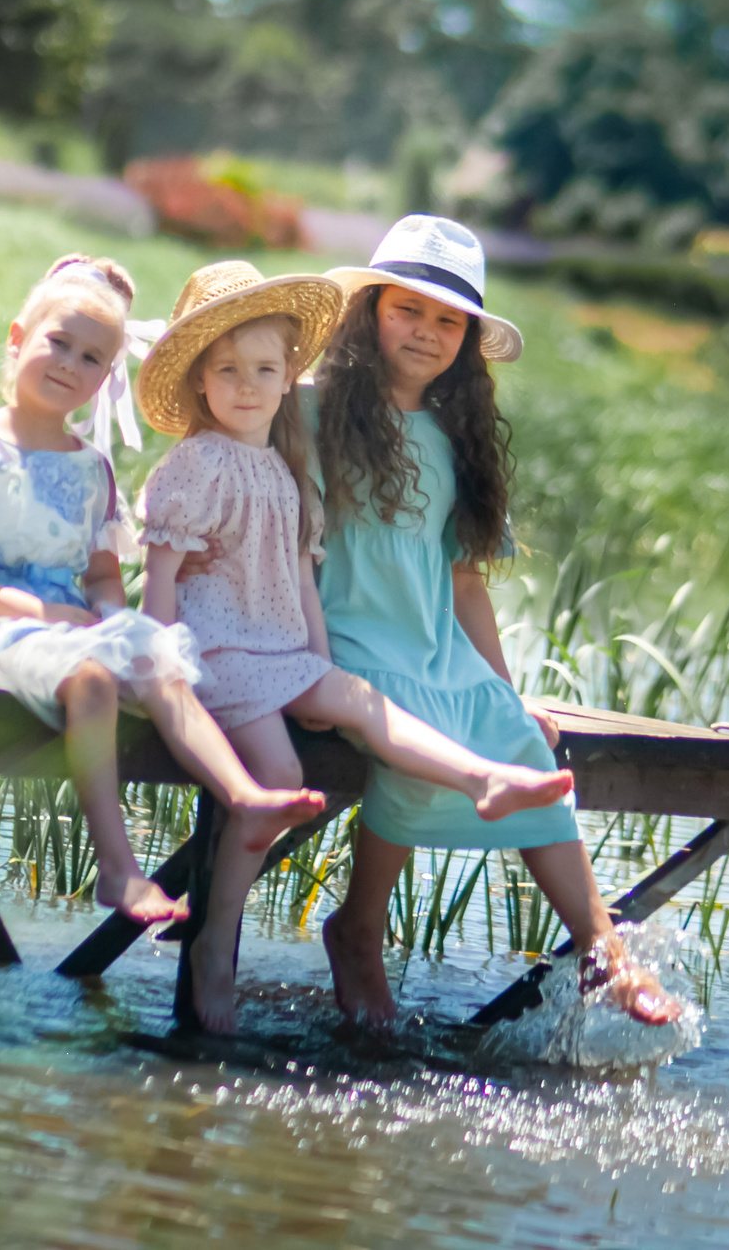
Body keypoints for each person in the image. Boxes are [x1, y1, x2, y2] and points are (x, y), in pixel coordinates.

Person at [0, 254, 325, 928]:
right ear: (17, 339)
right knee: (95, 680)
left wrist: (112, 618)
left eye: (91, 358)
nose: (70, 364)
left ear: (106, 379)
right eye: (58, 343)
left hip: (60, 618)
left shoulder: (93, 468)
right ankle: (118, 867)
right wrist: (50, 613)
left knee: (157, 657)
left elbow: (103, 574)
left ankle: (244, 792)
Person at [133, 260, 578, 1033]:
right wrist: (159, 656)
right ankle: (215, 946)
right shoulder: (228, 450)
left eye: (266, 371)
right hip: (218, 647)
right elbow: (161, 570)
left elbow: (311, 567)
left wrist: (317, 659)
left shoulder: (290, 461)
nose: (250, 385)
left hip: (288, 646)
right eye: (231, 371)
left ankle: (483, 778)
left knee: (366, 705)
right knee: (274, 770)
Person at [308, 216, 680, 1027]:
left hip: (430, 643)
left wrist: (505, 693)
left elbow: (466, 583)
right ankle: (358, 929)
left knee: (518, 738)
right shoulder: (310, 410)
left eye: (449, 321)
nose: (427, 332)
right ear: (368, 309)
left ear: (468, 342)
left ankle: (602, 951)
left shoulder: (453, 440)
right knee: (415, 735)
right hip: (341, 639)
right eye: (408, 309)